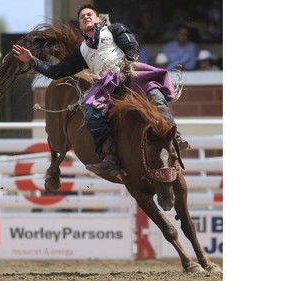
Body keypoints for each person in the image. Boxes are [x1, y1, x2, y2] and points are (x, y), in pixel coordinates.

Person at [12, 4, 189, 178]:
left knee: (154, 94)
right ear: (80, 26)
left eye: (89, 14)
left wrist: (127, 65)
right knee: (91, 113)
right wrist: (32, 60)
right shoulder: (81, 50)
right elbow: (56, 71)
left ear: (98, 19)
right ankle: (110, 156)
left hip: (129, 74)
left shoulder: (115, 29)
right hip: (106, 84)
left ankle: (175, 137)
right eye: (82, 17)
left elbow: (132, 47)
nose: (86, 17)